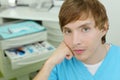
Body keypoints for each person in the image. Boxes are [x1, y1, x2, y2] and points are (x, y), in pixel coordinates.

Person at [33, 0, 120, 80]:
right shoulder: (58, 65)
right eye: (68, 31)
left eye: (85, 29)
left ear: (104, 28)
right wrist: (49, 64)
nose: (75, 41)